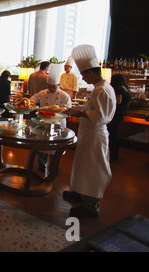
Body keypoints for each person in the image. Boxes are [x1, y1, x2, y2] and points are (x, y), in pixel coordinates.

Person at [64, 44, 116, 217]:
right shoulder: (100, 88)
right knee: (82, 166)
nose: (83, 78)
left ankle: (91, 207)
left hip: (95, 136)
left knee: (93, 169)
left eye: (83, 75)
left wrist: (78, 112)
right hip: (88, 134)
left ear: (91, 73)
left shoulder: (102, 91)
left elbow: (100, 116)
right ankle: (80, 193)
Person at [30, 64, 72, 173]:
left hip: (58, 125)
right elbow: (33, 99)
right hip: (44, 124)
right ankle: (41, 166)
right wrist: (31, 103)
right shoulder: (43, 93)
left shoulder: (65, 96)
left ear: (58, 84)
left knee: (56, 148)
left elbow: (69, 110)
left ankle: (54, 167)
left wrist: (61, 112)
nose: (51, 89)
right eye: (49, 86)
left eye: (54, 87)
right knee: (42, 147)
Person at [107, 74, 131, 162]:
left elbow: (117, 101)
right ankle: (114, 155)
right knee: (114, 135)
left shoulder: (119, 89)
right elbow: (127, 104)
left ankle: (111, 156)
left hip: (115, 115)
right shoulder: (125, 89)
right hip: (121, 115)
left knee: (111, 135)